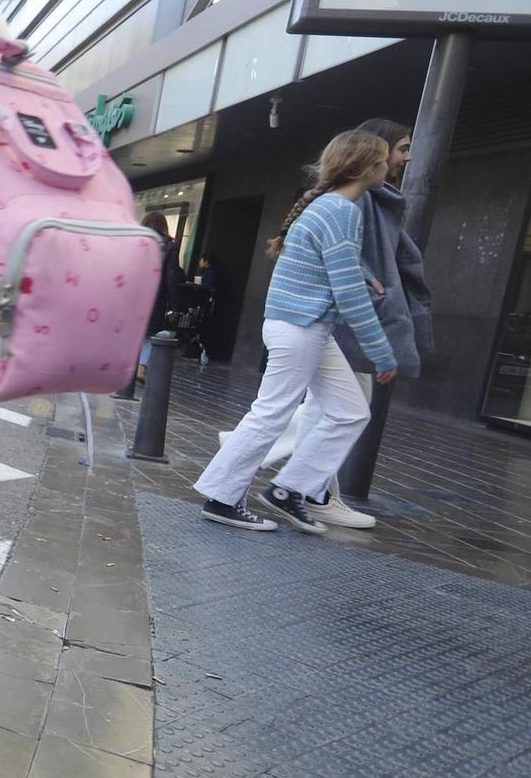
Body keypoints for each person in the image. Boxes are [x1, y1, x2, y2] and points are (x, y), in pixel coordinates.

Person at [194, 130, 398, 533]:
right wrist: (382, 351)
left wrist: (363, 273)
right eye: (386, 160)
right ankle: (222, 497)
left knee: (350, 411)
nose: (390, 166)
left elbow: (325, 261)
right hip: (301, 326)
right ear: (369, 167)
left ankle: (288, 490)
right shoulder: (342, 210)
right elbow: (345, 291)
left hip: (306, 325)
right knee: (271, 413)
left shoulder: (329, 205)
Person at [252, 117, 434, 528]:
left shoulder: (359, 198)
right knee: (327, 410)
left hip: (322, 321)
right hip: (328, 321)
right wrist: (381, 348)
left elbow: (353, 262)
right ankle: (300, 490)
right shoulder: (353, 202)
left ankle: (299, 489)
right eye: (402, 148)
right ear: (376, 157)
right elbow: (346, 275)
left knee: (336, 410)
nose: (407, 157)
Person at [139, 212, 185, 380]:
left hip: (131, 294)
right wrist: (175, 306)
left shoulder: (135, 240)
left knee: (131, 331)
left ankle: (125, 367)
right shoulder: (169, 246)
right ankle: (142, 367)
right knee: (152, 333)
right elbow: (172, 277)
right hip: (154, 296)